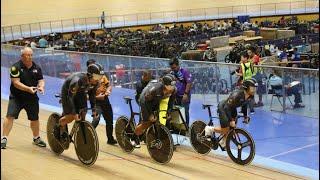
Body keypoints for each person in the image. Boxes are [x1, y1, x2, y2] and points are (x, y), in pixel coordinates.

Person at [1, 47, 46, 149]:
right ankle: (4, 138)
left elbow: (41, 80)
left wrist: (41, 86)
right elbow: (16, 83)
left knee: (35, 119)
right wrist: (28, 89)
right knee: (10, 116)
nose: (30, 57)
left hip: (31, 98)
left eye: (31, 55)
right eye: (27, 55)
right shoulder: (15, 67)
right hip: (16, 98)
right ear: (22, 56)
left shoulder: (37, 68)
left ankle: (36, 138)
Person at [53, 63, 104, 140]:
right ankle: (58, 126)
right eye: (97, 77)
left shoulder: (95, 82)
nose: (98, 79)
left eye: (100, 77)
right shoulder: (78, 80)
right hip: (68, 93)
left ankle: (78, 131)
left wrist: (94, 109)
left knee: (83, 112)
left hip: (80, 92)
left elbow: (92, 95)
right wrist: (74, 113)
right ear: (90, 75)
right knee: (71, 117)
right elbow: (71, 97)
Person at [204, 79, 257, 150]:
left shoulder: (250, 96)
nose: (254, 90)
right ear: (247, 88)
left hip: (232, 108)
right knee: (225, 128)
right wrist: (231, 120)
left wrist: (245, 117)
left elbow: (244, 105)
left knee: (231, 128)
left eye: (255, 88)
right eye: (252, 88)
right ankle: (209, 129)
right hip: (224, 107)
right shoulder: (237, 94)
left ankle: (223, 142)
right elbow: (226, 107)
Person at [133, 74, 177, 146]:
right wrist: (149, 114)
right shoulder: (155, 90)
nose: (172, 88)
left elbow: (171, 101)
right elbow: (145, 102)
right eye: (170, 86)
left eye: (173, 85)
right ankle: (133, 137)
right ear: (165, 85)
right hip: (145, 99)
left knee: (159, 119)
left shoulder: (174, 90)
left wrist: (168, 112)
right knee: (146, 122)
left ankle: (155, 137)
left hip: (157, 99)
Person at [87, 60, 117, 145]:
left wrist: (107, 91)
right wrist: (97, 97)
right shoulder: (89, 81)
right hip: (96, 102)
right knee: (96, 119)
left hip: (105, 100)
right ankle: (88, 137)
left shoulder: (103, 76)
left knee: (109, 120)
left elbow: (109, 86)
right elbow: (87, 97)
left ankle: (110, 139)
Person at [169, 58, 192, 127]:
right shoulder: (172, 73)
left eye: (174, 67)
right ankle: (178, 127)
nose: (173, 69)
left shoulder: (185, 72)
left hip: (184, 96)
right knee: (176, 112)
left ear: (178, 65)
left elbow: (189, 83)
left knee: (184, 112)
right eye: (172, 68)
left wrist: (186, 94)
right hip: (176, 96)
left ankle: (186, 127)